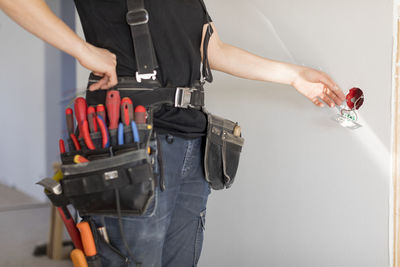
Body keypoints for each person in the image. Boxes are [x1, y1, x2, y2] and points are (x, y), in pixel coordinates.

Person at [0, 0, 346, 266]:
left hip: (193, 147)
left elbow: (214, 51)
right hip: (132, 148)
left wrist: (294, 76)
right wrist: (82, 49)